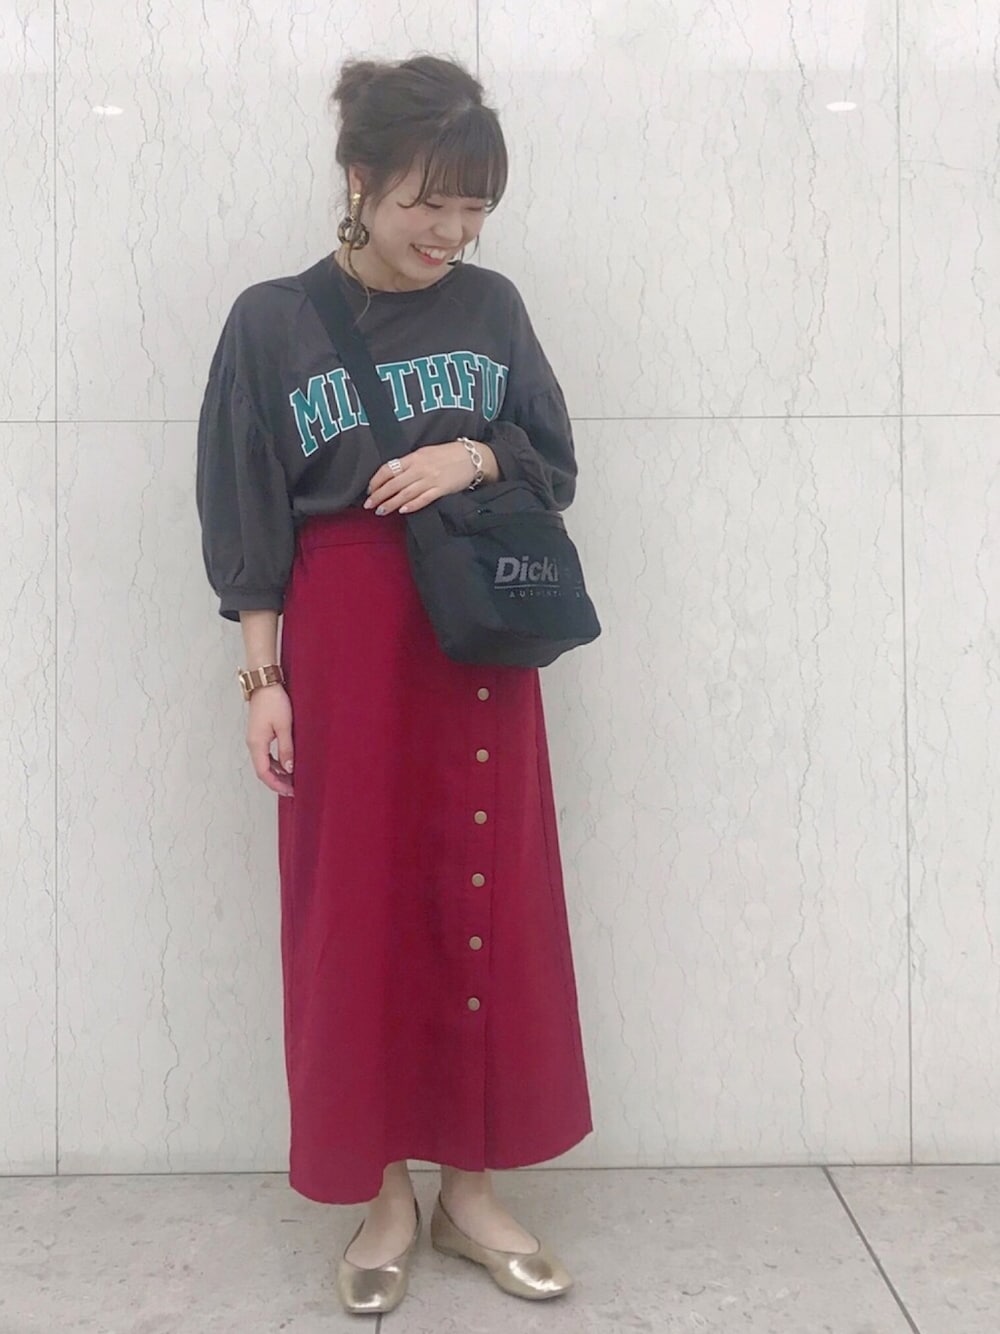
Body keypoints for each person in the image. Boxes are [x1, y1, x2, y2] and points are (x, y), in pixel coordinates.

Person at [195, 53, 593, 1316]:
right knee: (352, 908)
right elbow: (246, 510)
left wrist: (470, 454)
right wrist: (263, 676)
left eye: (475, 207)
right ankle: (381, 1194)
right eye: (430, 200)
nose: (452, 231)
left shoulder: (494, 307)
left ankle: (469, 1187)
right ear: (360, 179)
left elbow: (552, 457)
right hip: (345, 645)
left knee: (483, 888)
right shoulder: (274, 320)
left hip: (477, 643)